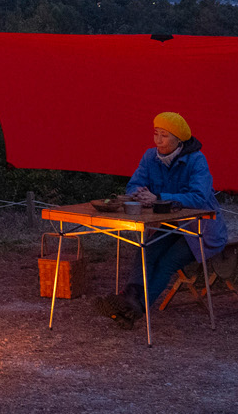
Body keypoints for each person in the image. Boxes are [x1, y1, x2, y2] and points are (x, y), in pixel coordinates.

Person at [93, 111, 229, 328]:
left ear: (178, 139)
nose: (158, 140)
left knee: (167, 262)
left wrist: (159, 197)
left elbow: (199, 197)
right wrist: (139, 193)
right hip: (170, 225)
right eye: (156, 134)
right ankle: (131, 301)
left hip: (201, 228)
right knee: (145, 248)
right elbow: (134, 184)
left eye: (164, 136)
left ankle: (133, 306)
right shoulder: (150, 157)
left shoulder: (196, 160)